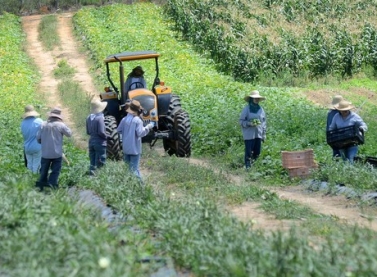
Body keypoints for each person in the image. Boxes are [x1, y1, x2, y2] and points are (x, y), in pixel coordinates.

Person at [117, 99, 154, 181]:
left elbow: (119, 130)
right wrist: (148, 127)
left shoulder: (124, 119)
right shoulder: (137, 121)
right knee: (134, 170)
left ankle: (128, 186)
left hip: (126, 148)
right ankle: (140, 187)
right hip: (135, 149)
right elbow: (140, 133)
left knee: (127, 169)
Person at [36, 107, 72, 190]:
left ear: (50, 116)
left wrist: (43, 142)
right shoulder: (61, 125)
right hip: (57, 153)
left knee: (44, 171)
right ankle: (52, 185)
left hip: (45, 153)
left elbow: (38, 138)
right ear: (59, 117)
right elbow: (69, 134)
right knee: (55, 171)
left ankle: (41, 185)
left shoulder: (43, 125)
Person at [239, 90, 267, 169]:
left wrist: (264, 134)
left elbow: (264, 122)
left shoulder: (261, 109)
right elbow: (241, 121)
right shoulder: (246, 109)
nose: (256, 100)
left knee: (257, 151)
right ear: (251, 99)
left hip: (258, 133)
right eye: (255, 98)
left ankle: (255, 166)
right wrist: (249, 123)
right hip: (249, 134)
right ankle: (248, 166)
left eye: (258, 98)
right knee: (248, 151)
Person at [86, 98, 108, 176]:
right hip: (100, 142)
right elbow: (101, 132)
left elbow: (88, 132)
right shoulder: (100, 118)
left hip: (91, 141)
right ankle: (100, 175)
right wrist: (107, 137)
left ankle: (92, 175)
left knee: (92, 159)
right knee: (101, 159)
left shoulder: (89, 118)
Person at [21, 105, 43, 174]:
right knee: (36, 165)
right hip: (37, 147)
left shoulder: (23, 123)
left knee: (29, 165)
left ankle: (29, 180)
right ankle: (34, 180)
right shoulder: (38, 121)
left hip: (27, 147)